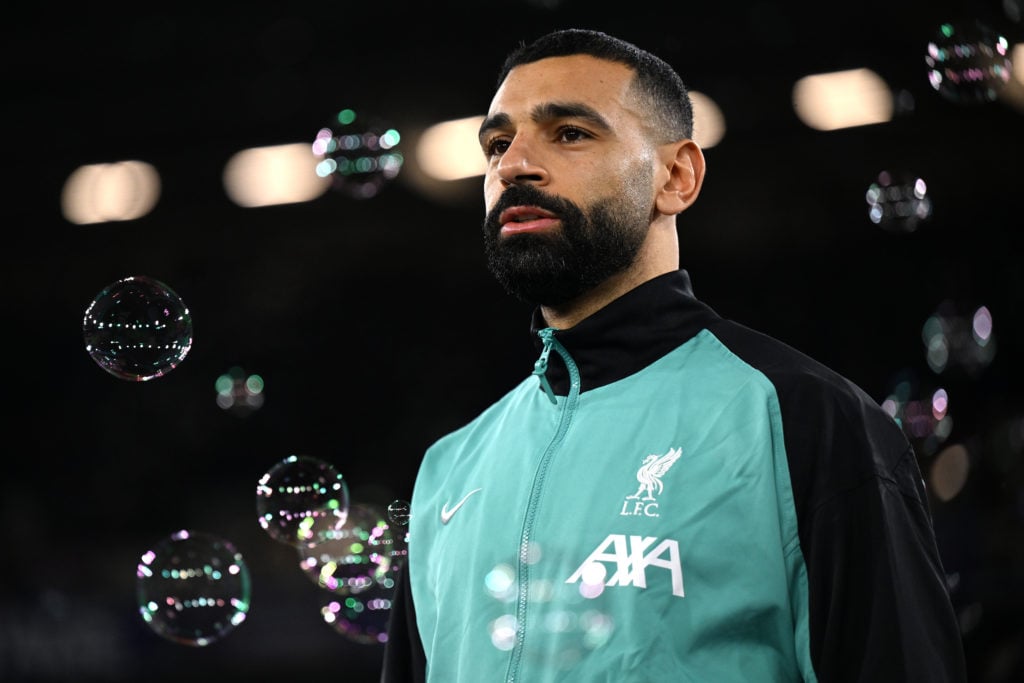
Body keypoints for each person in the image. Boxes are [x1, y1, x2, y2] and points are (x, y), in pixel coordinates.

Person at [381, 28, 967, 683]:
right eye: (496, 143)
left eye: (570, 132)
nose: (513, 165)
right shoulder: (449, 470)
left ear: (677, 176)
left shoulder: (808, 420)